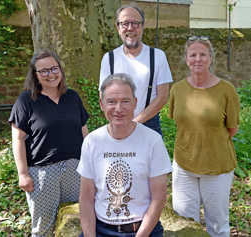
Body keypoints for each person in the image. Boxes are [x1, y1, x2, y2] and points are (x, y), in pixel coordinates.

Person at [77, 73, 172, 237]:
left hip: (143, 230)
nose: (118, 109)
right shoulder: (92, 142)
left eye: (125, 101)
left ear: (135, 103)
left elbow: (159, 198)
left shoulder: (153, 141)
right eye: (111, 102)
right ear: (101, 104)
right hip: (101, 230)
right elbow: (86, 198)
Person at [9, 49, 89, 236]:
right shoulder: (26, 101)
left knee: (76, 222)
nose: (50, 74)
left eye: (54, 68)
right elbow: (18, 140)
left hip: (75, 168)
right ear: (35, 75)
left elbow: (84, 132)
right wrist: (23, 174)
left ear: (60, 70)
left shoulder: (72, 97)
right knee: (43, 227)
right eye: (43, 71)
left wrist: (91, 164)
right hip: (43, 173)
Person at [168, 36, 240, 237]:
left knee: (217, 225)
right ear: (186, 58)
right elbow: (180, 121)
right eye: (193, 54)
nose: (197, 59)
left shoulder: (226, 90)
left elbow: (232, 129)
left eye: (203, 54)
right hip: (183, 165)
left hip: (217, 166)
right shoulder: (177, 89)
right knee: (184, 222)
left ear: (211, 58)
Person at [99, 5, 173, 135]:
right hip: (118, 124)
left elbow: (162, 97)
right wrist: (119, 123)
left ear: (143, 26)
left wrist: (135, 123)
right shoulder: (109, 58)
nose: (130, 28)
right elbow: (103, 96)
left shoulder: (157, 56)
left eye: (135, 23)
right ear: (118, 27)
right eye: (125, 23)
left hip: (149, 125)